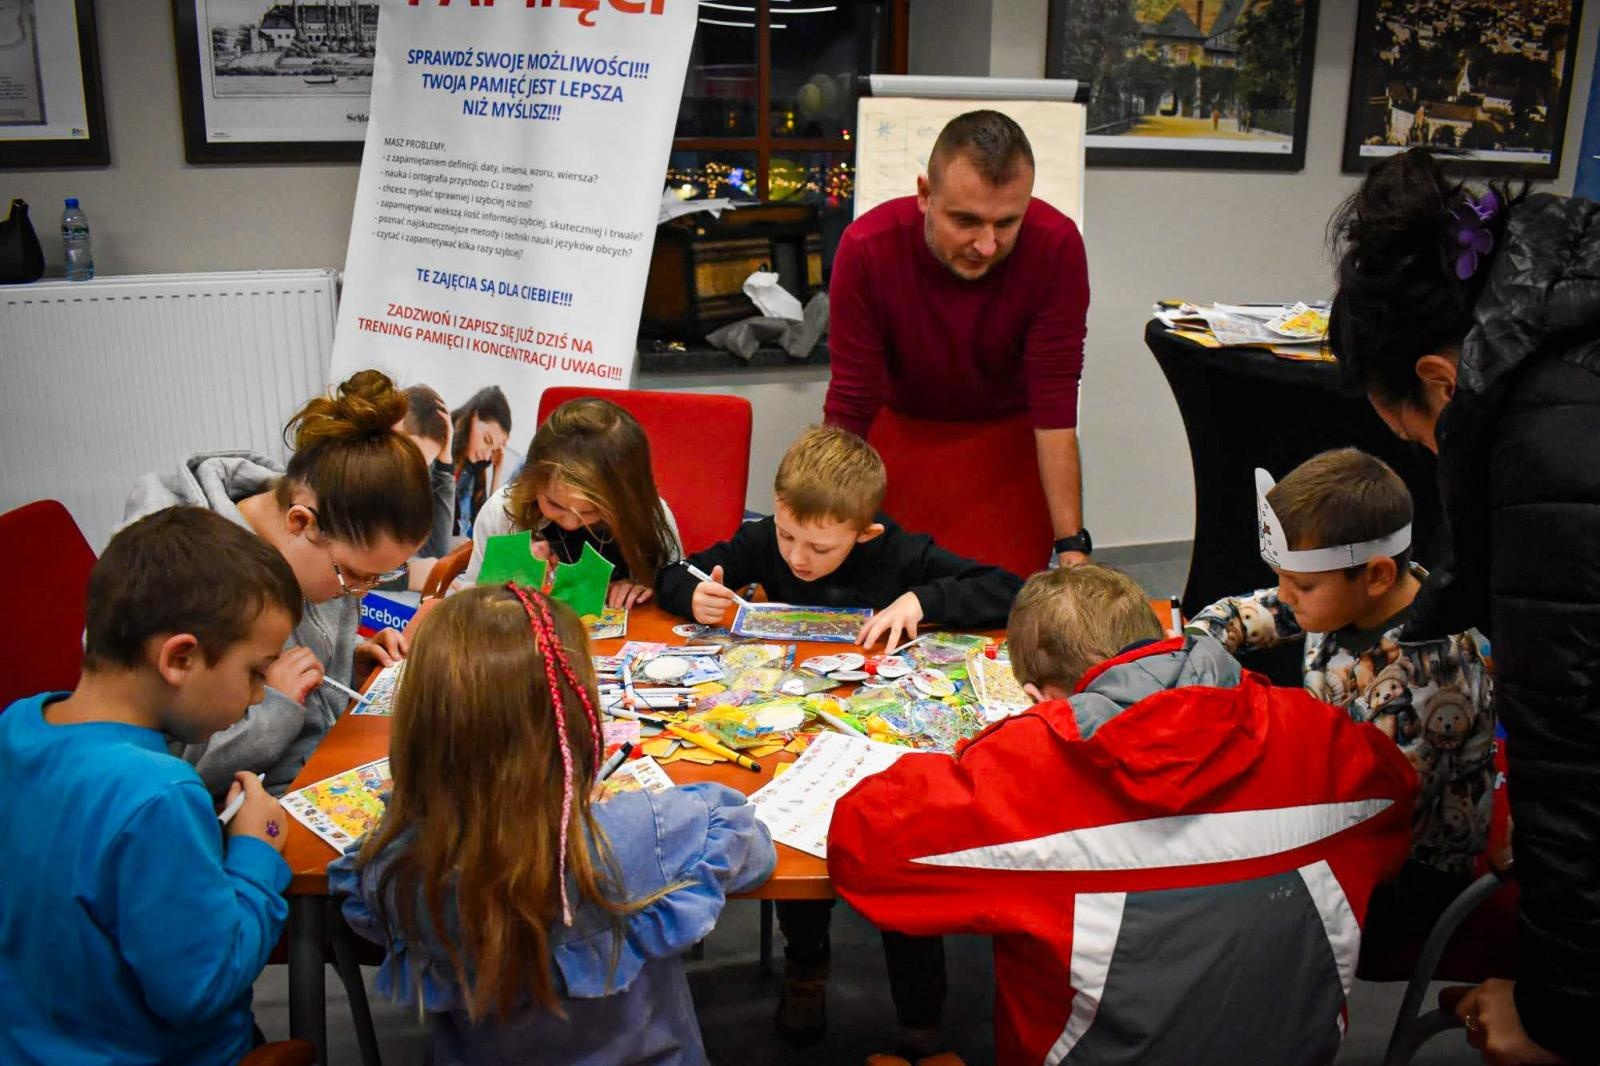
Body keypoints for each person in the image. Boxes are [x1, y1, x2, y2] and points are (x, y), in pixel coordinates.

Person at [829, 565, 1417, 1066]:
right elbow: (1394, 819)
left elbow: (865, 851)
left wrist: (996, 748)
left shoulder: (1028, 772)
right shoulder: (1316, 732)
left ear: (1036, 697)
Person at [1328, 146, 1600, 1064]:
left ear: (1442, 381)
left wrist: (1559, 1015)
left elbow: (1573, 745)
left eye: (1416, 435)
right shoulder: (1566, 288)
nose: (1430, 456)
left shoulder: (1548, 448)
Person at [655, 424, 1022, 1049]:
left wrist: (922, 599)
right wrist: (694, 594)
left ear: (865, 533)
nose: (797, 558)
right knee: (798, 848)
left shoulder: (899, 551)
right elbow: (676, 571)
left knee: (905, 866)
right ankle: (806, 969)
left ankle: (921, 1016)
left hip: (890, 746)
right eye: (787, 536)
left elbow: (1010, 590)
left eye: (820, 547)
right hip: (796, 734)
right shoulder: (764, 539)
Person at [330, 585, 775, 1063]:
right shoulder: (642, 831)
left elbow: (365, 908)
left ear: (419, 728)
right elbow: (755, 852)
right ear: (577, 723)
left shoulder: (394, 862)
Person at [0, 507, 301, 1063]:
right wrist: (257, 850)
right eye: (256, 673)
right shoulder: (160, 793)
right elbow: (204, 988)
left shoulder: (16, 725)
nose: (259, 696)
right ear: (180, 658)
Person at [1186, 448, 1494, 956]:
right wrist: (1192, 651)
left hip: (1406, 880)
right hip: (1338, 802)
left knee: (1212, 905)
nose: (1284, 596)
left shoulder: (1432, 681)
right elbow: (1246, 613)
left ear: (1377, 576)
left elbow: (1369, 814)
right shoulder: (1345, 599)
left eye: (1301, 584)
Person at [124, 369, 433, 797]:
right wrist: (274, 709)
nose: (361, 592)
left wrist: (348, 662)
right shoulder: (174, 580)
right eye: (353, 576)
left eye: (380, 577)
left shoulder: (318, 541)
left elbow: (308, 648)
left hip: (322, 765)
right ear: (301, 522)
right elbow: (158, 769)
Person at [823, 109, 1093, 568]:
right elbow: (852, 402)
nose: (986, 245)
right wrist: (820, 516)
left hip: (1009, 453)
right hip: (900, 443)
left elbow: (1055, 406)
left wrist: (1071, 548)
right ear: (925, 195)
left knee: (1003, 599)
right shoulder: (867, 248)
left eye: (1006, 223)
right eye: (966, 220)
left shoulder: (1056, 246)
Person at [458, 396, 682, 608]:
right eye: (555, 505)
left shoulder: (649, 516)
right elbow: (471, 603)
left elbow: (678, 588)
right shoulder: (502, 511)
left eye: (591, 511)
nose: (571, 523)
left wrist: (648, 588)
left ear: (625, 500)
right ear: (532, 483)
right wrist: (506, 577)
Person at [377, 383, 458, 594]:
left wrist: (444, 464)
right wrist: (405, 577)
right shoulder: (351, 471)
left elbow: (436, 549)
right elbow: (330, 567)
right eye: (412, 457)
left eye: (423, 465)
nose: (413, 472)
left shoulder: (403, 480)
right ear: (394, 428)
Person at [451, 385, 522, 539]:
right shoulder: (441, 456)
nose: (486, 455)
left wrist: (497, 470)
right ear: (473, 417)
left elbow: (486, 528)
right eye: (486, 440)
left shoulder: (473, 469)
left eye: (493, 449)